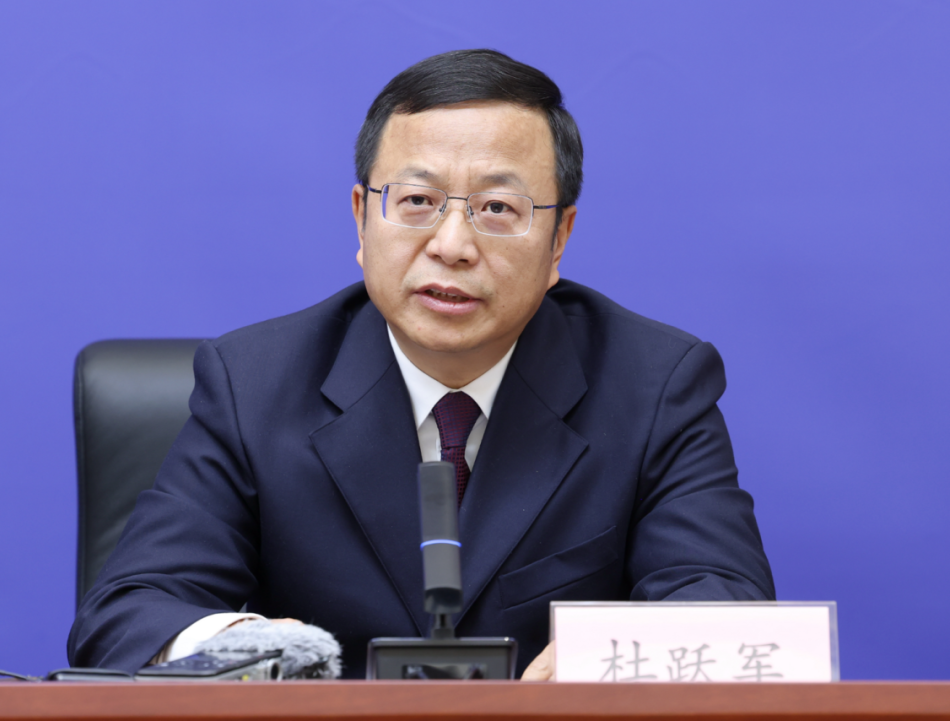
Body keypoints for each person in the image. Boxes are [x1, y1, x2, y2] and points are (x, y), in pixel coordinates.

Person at [68, 49, 774, 680]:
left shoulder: (654, 385)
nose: (452, 245)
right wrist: (251, 650)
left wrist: (612, 652)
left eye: (498, 208)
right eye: (417, 202)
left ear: (559, 238)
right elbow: (131, 611)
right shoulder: (252, 383)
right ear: (361, 218)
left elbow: (725, 601)